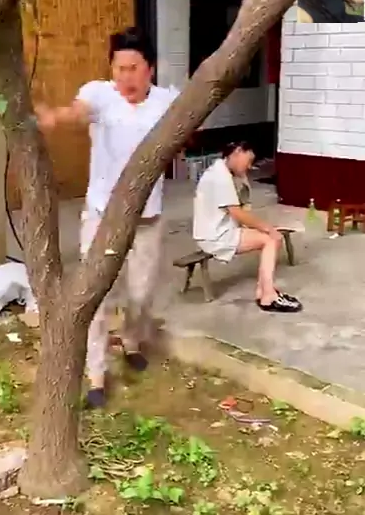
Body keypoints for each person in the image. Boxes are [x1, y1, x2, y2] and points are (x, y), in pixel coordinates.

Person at [35, 27, 179, 408]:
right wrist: (56, 118)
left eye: (134, 68)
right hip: (103, 215)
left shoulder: (168, 101)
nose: (125, 77)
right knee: (96, 295)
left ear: (151, 69)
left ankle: (131, 340)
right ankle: (96, 373)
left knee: (141, 293)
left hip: (147, 217)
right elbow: (77, 112)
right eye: (119, 68)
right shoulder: (99, 94)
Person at [193, 142, 302, 313]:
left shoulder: (220, 170)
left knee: (270, 237)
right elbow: (237, 213)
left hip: (218, 230)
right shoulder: (221, 177)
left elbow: (244, 205)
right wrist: (267, 228)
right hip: (216, 236)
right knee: (271, 239)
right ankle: (268, 295)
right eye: (249, 161)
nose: (250, 166)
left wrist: (242, 177)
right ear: (238, 152)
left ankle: (264, 290)